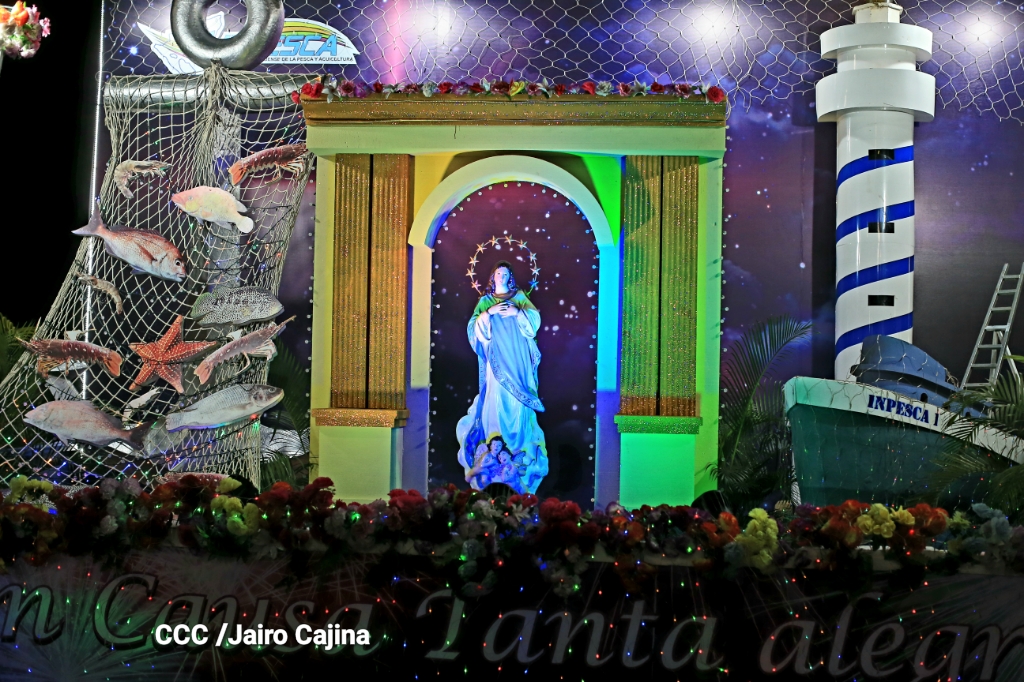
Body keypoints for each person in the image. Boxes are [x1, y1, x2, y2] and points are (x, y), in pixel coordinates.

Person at [456, 261, 548, 493]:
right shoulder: (486, 302)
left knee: (518, 408)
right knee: (495, 404)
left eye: (506, 273)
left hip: (517, 364)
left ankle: (520, 454)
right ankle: (493, 458)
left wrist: (517, 312)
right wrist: (488, 314)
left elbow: (533, 323)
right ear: (493, 276)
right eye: (498, 272)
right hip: (496, 365)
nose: (502, 276)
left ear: (510, 277)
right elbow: (474, 330)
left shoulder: (519, 297)